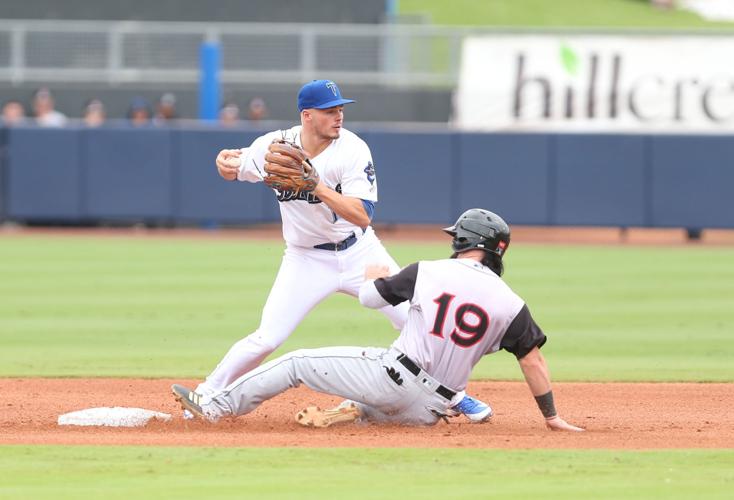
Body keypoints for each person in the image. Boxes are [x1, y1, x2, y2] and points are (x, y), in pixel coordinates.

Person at [191, 79, 491, 422]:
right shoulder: (274, 146)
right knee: (267, 336)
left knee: (413, 319)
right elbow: (235, 166)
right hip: (305, 258)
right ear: (307, 116)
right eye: (330, 111)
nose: (339, 116)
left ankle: (455, 396)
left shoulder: (352, 149)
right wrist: (224, 163)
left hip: (360, 255)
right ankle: (208, 395)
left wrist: (316, 186)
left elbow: (362, 215)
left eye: (341, 109)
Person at [172, 208, 584, 432]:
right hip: (431, 410)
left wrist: (373, 275)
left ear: (462, 241)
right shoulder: (512, 304)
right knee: (379, 399)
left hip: (394, 379)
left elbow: (370, 299)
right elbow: (533, 361)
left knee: (296, 363)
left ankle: (216, 405)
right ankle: (354, 410)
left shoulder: (428, 270)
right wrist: (550, 416)